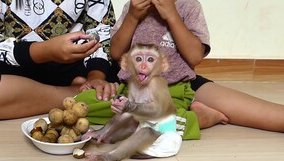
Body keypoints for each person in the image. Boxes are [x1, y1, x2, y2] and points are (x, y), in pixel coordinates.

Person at [110, 0, 284, 134]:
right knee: (129, 122)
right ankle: (196, 119)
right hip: (135, 89)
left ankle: (204, 117)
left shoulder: (189, 6)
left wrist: (172, 15)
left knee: (271, 116)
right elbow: (116, 53)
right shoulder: (131, 7)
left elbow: (194, 57)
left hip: (183, 86)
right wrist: (132, 16)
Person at [0, 0, 120, 121]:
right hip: (17, 66)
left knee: (128, 71)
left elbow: (102, 30)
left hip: (77, 64)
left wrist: (96, 77)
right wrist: (46, 50)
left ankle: (89, 91)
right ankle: (77, 95)